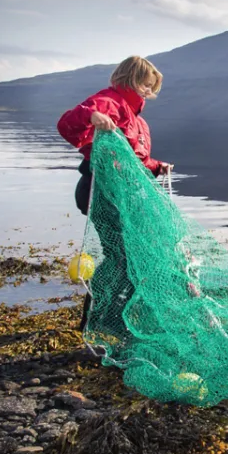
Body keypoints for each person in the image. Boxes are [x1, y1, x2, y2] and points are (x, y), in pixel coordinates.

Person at [57, 55, 173, 332]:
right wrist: (92, 115)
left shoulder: (138, 122)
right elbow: (67, 124)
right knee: (121, 256)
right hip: (102, 193)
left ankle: (112, 316)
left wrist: (158, 167)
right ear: (130, 79)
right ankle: (98, 319)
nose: (148, 92)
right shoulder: (109, 102)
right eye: (145, 85)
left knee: (130, 256)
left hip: (126, 196)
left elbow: (136, 161)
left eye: (151, 87)